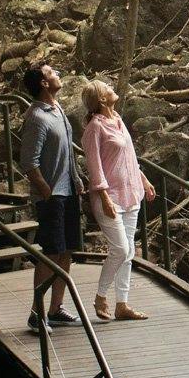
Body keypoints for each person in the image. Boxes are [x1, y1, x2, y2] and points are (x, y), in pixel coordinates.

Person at [80, 78, 155, 322]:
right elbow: (94, 167)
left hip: (130, 193)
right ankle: (101, 296)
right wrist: (104, 197)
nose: (113, 88)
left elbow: (129, 157)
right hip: (109, 196)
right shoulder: (94, 128)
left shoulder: (118, 120)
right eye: (108, 88)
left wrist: (143, 180)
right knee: (120, 249)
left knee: (129, 250)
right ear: (101, 99)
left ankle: (122, 304)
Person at [19, 62, 81, 332]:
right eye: (52, 72)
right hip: (52, 196)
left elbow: (68, 151)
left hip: (69, 191)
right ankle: (37, 313)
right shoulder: (36, 117)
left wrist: (77, 179)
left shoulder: (57, 109)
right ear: (44, 83)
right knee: (51, 253)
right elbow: (28, 162)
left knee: (66, 250)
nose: (58, 73)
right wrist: (46, 192)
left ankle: (56, 308)